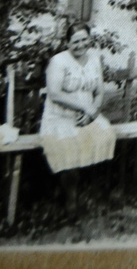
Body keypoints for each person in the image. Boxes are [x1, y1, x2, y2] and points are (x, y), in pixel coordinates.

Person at [40, 23, 115, 213]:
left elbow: (99, 91)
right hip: (60, 117)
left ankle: (96, 193)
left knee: (105, 135)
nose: (80, 45)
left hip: (87, 116)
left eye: (84, 40)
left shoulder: (94, 59)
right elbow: (55, 94)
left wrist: (94, 111)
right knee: (69, 148)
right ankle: (70, 199)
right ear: (67, 43)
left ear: (89, 40)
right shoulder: (58, 62)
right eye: (75, 42)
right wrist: (85, 107)